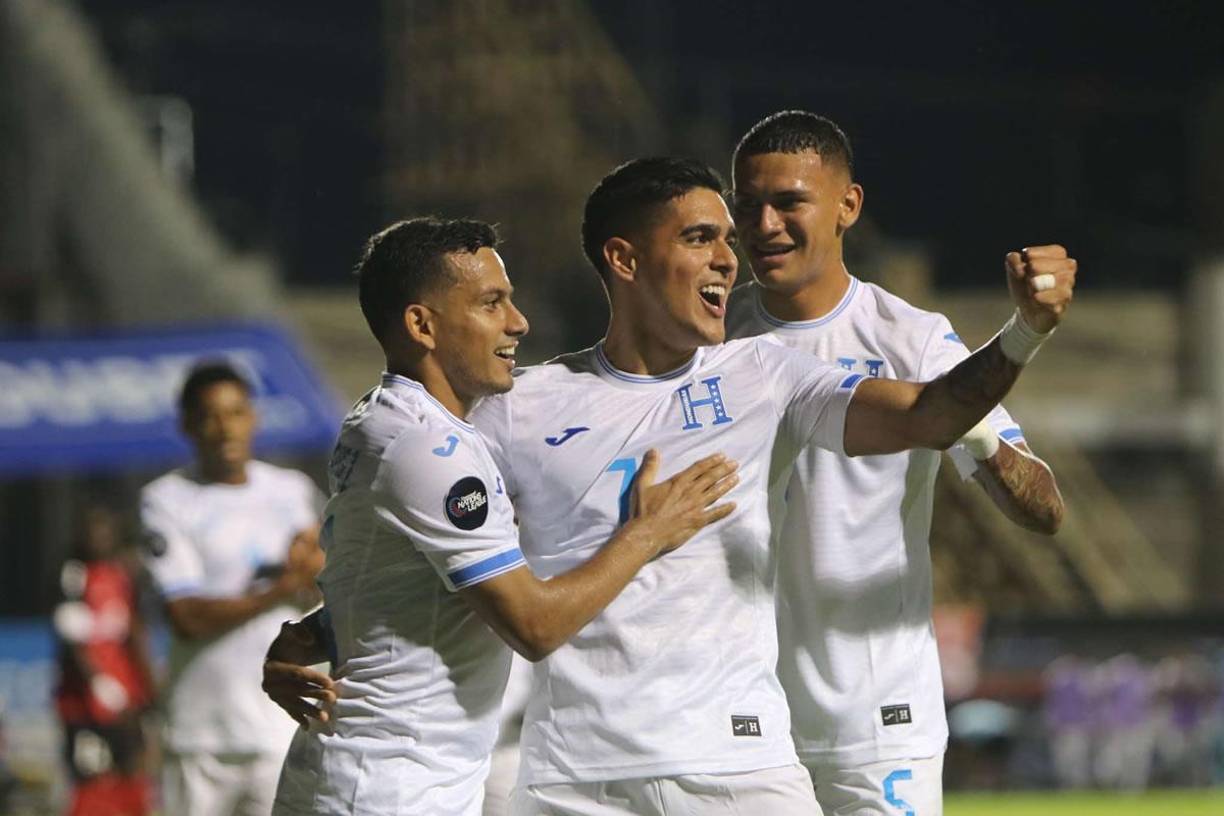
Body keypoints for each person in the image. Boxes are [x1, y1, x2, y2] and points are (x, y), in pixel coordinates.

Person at [266, 157, 1076, 814]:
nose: (730, 257)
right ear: (624, 259)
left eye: (727, 239)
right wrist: (329, 630)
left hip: (736, 763)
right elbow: (450, 560)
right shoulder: (516, 409)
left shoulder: (766, 376)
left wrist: (1025, 332)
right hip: (571, 778)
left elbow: (932, 415)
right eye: (699, 238)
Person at [268, 217, 738, 816]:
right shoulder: (430, 452)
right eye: (491, 303)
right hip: (391, 787)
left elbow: (390, 592)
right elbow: (533, 627)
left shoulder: (378, 421)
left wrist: (302, 636)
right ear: (422, 325)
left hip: (368, 776)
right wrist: (647, 534)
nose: (518, 323)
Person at [726, 109, 1066, 813]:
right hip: (740, 723)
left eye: (789, 201)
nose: (763, 225)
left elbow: (1043, 510)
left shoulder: (911, 340)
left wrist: (962, 421)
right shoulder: (710, 340)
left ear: (848, 205)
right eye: (747, 204)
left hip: (879, 723)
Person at [140, 361, 324, 816]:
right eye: (209, 416)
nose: (226, 428)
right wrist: (281, 588)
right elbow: (185, 616)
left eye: (237, 412)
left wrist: (314, 574)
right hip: (201, 734)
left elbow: (319, 591)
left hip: (277, 726)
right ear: (187, 425)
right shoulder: (166, 499)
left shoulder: (291, 490)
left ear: (254, 417)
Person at [54, 503, 156, 816]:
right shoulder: (74, 575)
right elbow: (72, 638)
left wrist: (148, 684)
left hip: (127, 694)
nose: (98, 538)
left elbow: (135, 632)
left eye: (105, 531)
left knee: (134, 766)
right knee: (92, 774)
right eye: (91, 532)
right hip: (84, 700)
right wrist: (99, 683)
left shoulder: (124, 574)